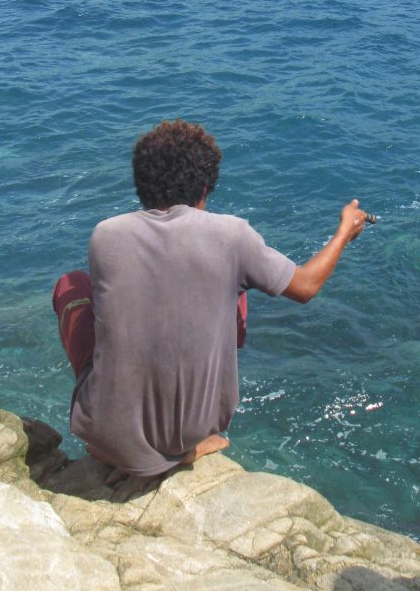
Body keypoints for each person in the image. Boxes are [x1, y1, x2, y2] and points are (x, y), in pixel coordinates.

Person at [52, 118, 371, 477]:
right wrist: (344, 231)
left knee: (71, 285)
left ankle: (123, 423)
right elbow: (306, 286)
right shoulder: (231, 235)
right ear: (205, 186)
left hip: (103, 437)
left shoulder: (105, 235)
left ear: (141, 185)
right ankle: (191, 443)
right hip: (189, 433)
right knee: (232, 288)